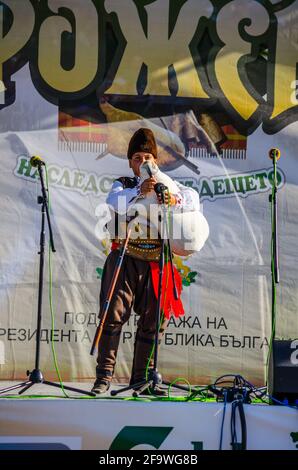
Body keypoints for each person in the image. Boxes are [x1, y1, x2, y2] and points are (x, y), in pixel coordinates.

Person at [92, 128, 200, 395]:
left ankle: (141, 380)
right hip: (125, 260)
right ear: (130, 162)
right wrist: (141, 191)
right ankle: (103, 378)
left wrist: (171, 198)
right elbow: (114, 204)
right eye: (138, 158)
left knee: (154, 322)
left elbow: (192, 201)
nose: (143, 163)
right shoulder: (124, 185)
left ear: (156, 161)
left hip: (156, 262)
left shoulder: (170, 185)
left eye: (148, 157)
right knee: (112, 316)